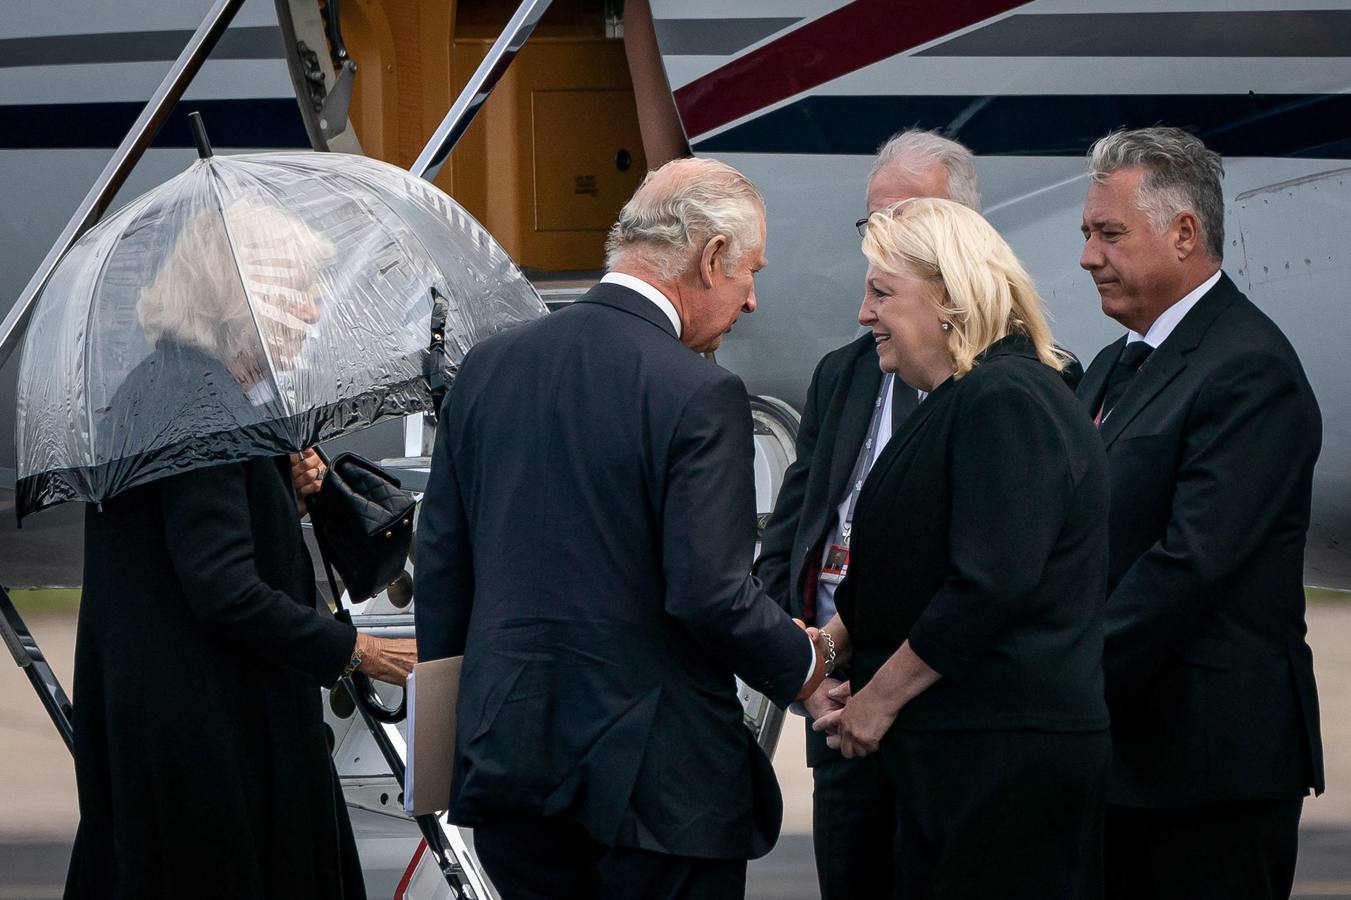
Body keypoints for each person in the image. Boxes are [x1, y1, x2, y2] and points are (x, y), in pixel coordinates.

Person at [414, 157, 826, 900]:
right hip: (655, 790)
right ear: (710, 257)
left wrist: (457, 738)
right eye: (749, 272)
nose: (751, 299)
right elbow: (708, 593)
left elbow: (442, 566)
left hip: (511, 766)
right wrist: (805, 662)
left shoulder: (487, 368)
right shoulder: (698, 392)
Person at [64, 202, 416, 899]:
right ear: (240, 298)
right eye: (298, 292)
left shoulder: (171, 388)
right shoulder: (204, 407)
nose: (313, 312)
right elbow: (223, 588)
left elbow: (182, 541)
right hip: (210, 734)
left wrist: (277, 491)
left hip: (176, 718)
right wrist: (358, 652)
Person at [811, 197, 1112, 898]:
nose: (864, 313)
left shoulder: (1004, 400)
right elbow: (916, 571)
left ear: (948, 297)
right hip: (962, 760)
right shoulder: (964, 399)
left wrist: (878, 700)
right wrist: (831, 650)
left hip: (1001, 766)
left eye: (882, 292)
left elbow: (988, 584)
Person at [1076, 126, 1324, 899]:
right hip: (1124, 759)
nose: (1087, 257)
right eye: (1086, 234)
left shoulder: (1247, 368)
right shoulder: (1112, 364)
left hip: (1208, 771)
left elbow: (1188, 565)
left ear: (1184, 233)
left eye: (1108, 233)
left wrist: (1058, 678)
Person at [755, 128, 983, 900]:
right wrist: (799, 665)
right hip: (839, 704)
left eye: (906, 217)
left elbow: (995, 568)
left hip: (953, 711)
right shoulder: (844, 373)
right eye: (873, 221)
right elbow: (792, 532)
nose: (882, 237)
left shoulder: (1016, 381)